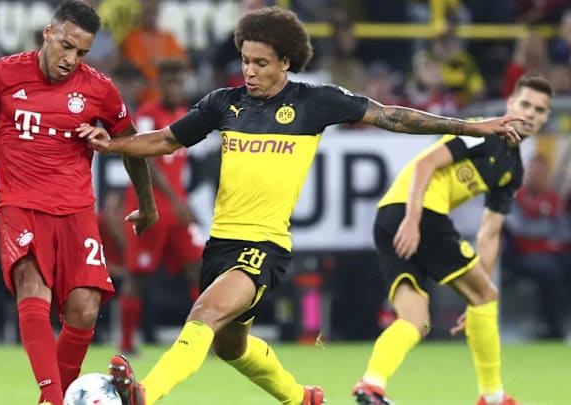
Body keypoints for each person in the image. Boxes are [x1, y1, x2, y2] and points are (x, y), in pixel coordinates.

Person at [78, 7, 522, 405]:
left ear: (286, 62)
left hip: (263, 247)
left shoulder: (313, 102)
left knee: (204, 314)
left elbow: (393, 116)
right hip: (220, 244)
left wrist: (472, 127)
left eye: (261, 63)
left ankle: (144, 394)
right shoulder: (224, 104)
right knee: (230, 347)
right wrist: (111, 144)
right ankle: (300, 398)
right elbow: (163, 141)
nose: (249, 71)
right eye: (245, 60)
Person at [0, 2, 157, 405]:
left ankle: (51, 400)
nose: (71, 59)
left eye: (81, 53)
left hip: (76, 209)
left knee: (85, 309)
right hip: (20, 203)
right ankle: (53, 399)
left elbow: (133, 143)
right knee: (32, 285)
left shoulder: (100, 89)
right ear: (48, 34)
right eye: (66, 46)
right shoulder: (2, 73)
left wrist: (147, 204)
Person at [350, 74, 553, 405]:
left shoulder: (512, 170)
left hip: (388, 217)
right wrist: (413, 219)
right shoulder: (483, 131)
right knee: (484, 296)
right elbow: (426, 164)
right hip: (417, 212)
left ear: (546, 117)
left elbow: (490, 233)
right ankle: (493, 397)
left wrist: (478, 293)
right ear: (510, 104)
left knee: (415, 320)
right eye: (525, 104)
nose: (530, 113)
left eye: (539, 109)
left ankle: (371, 384)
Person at [119, 59, 203, 355]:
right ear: (160, 85)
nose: (174, 88)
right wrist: (177, 200)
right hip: (149, 208)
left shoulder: (184, 115)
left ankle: (205, 339)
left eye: (178, 82)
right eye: (168, 82)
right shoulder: (147, 115)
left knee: (199, 269)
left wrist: (182, 201)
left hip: (177, 211)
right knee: (138, 275)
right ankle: (127, 341)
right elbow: (145, 156)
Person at [504, 154, 571, 339]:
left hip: (552, 253)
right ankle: (551, 327)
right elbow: (520, 228)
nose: (536, 177)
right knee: (550, 271)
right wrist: (547, 226)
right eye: (533, 173)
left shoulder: (553, 199)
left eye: (541, 174)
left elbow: (564, 230)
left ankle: (563, 321)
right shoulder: (515, 198)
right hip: (521, 254)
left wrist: (545, 227)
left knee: (563, 265)